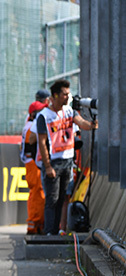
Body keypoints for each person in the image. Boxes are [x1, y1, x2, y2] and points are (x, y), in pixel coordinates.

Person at [36, 79, 97, 235]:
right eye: (64, 94)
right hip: (54, 162)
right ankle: (50, 231)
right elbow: (42, 143)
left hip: (68, 161)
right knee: (52, 199)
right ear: (55, 95)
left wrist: (91, 125)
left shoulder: (69, 111)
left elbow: (81, 122)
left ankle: (58, 230)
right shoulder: (44, 116)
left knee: (63, 197)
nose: (67, 97)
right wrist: (48, 166)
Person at [21, 89, 49, 235]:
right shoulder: (31, 126)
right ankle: (35, 225)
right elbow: (30, 147)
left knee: (37, 193)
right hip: (33, 163)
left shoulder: (29, 122)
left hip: (32, 163)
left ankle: (36, 224)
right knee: (38, 193)